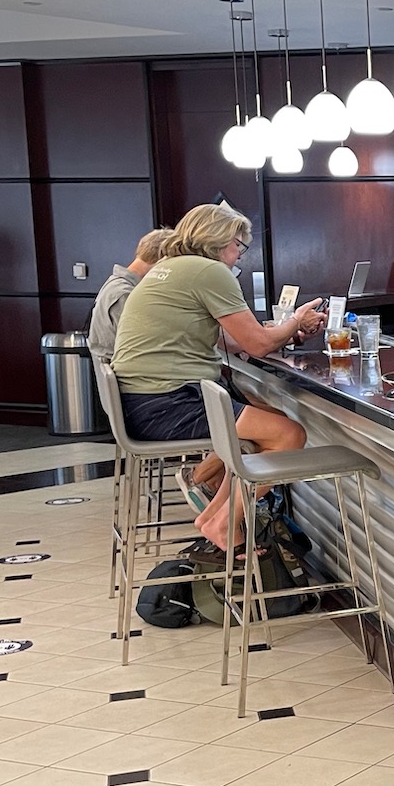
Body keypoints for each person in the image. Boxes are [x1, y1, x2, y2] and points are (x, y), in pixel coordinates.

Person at [110, 203, 326, 551]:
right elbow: (255, 344)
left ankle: (213, 515)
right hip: (166, 403)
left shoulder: (168, 267)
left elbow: (227, 338)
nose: (239, 256)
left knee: (271, 421)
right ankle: (222, 523)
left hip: (144, 400)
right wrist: (294, 323)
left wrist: (287, 332)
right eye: (239, 246)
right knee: (289, 434)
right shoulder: (208, 271)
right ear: (219, 240)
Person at [88, 228, 174, 364]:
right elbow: (143, 347)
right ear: (163, 260)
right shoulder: (125, 294)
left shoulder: (115, 284)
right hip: (131, 377)